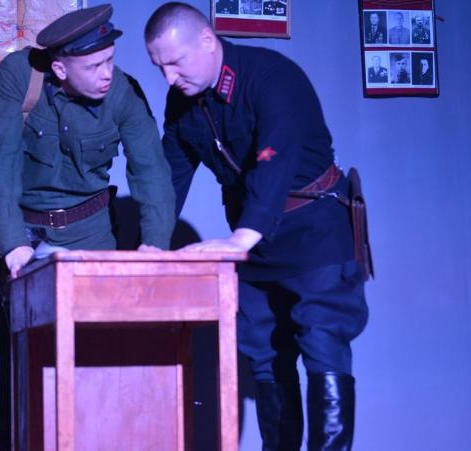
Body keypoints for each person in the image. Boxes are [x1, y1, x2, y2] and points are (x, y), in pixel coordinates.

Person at [145, 3, 370, 450]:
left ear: (207, 41)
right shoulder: (182, 100)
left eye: (176, 62)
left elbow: (274, 160)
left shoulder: (272, 78)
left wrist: (240, 240)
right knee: (265, 355)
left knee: (323, 343)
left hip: (313, 233)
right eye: (159, 67)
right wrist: (151, 244)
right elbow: (169, 176)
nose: (169, 78)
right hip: (253, 243)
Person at [0, 4, 175, 449]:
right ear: (60, 69)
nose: (107, 73)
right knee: (2, 358)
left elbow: (152, 173)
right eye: (94, 66)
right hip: (26, 233)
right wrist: (12, 246)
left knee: (93, 355)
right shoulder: (20, 76)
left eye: (110, 60)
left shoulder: (123, 93)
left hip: (89, 233)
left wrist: (155, 245)